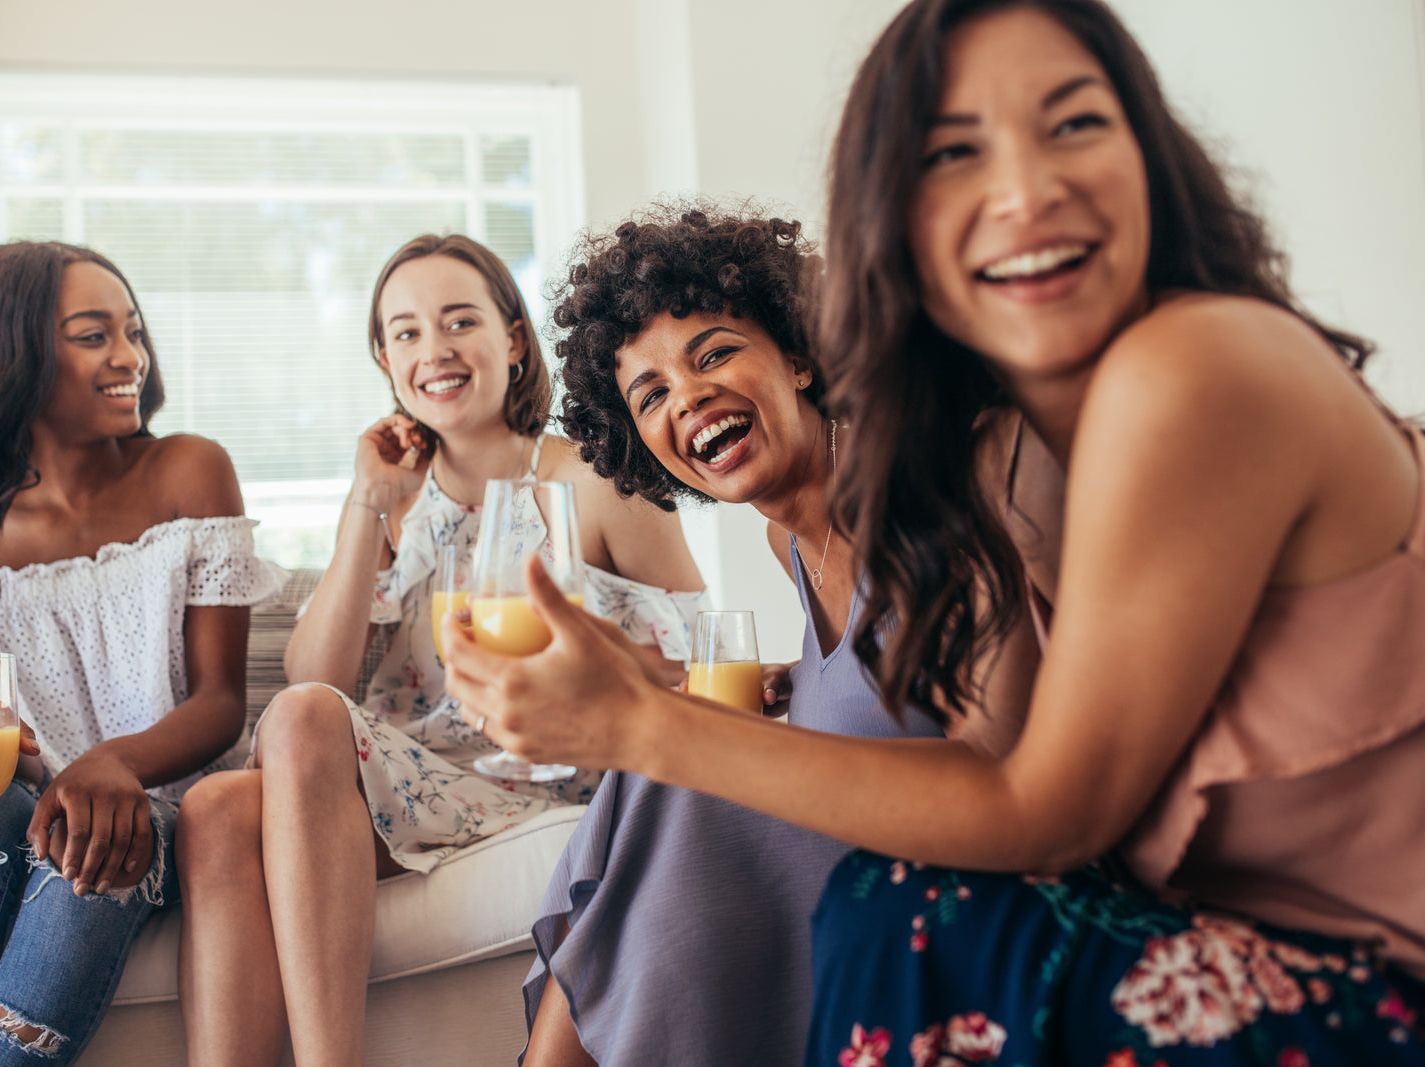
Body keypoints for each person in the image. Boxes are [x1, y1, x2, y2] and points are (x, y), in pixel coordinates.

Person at [444, 2, 1425, 1063]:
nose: (1023, 188)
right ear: (897, 222)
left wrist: (641, 722)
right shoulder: (1023, 437)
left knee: (897, 905)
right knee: (748, 841)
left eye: (1074, 124)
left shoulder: (1182, 369)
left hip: (1366, 983)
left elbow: (1042, 805)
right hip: (1231, 936)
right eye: (956, 152)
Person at [174, 234, 708, 1067]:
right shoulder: (399, 494)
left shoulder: (596, 478)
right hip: (407, 776)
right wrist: (367, 502)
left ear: (513, 339)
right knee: (213, 807)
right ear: (386, 359)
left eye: (461, 321)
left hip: (531, 774)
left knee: (303, 721)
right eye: (409, 332)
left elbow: (698, 660)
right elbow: (315, 672)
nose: (437, 350)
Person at [515, 205, 944, 1067]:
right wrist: (800, 676)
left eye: (713, 353)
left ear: (797, 352)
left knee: (664, 773)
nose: (690, 396)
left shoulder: (915, 495)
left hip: (936, 867)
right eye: (652, 394)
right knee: (656, 773)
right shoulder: (784, 537)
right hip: (857, 848)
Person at [0, 240, 278, 1065]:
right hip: (29, 805)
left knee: (88, 859)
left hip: (158, 803)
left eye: (132, 331)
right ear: (14, 358)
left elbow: (218, 701)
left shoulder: (190, 470)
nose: (129, 357)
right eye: (94, 335)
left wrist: (112, 764)